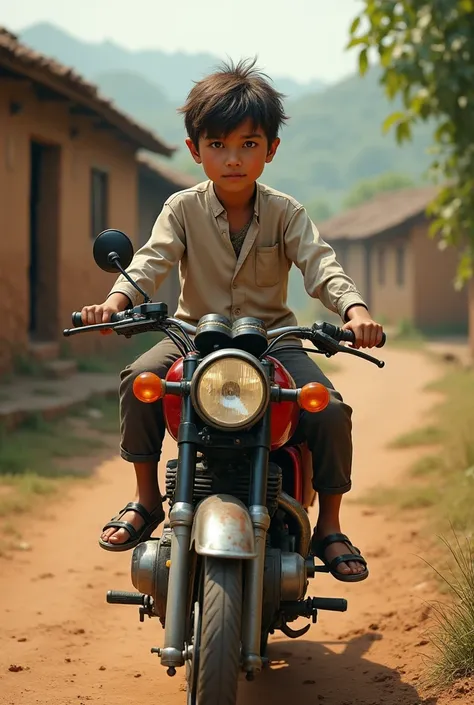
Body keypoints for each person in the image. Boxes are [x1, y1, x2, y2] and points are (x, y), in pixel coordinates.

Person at [81, 59, 384, 583]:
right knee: (139, 379)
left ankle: (331, 526)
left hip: (273, 342)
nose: (234, 159)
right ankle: (147, 498)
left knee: (330, 410)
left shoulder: (287, 212)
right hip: (195, 336)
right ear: (196, 150)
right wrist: (114, 302)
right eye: (218, 145)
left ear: (271, 150)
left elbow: (321, 265)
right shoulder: (181, 209)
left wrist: (355, 312)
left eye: (248, 144)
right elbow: (151, 261)